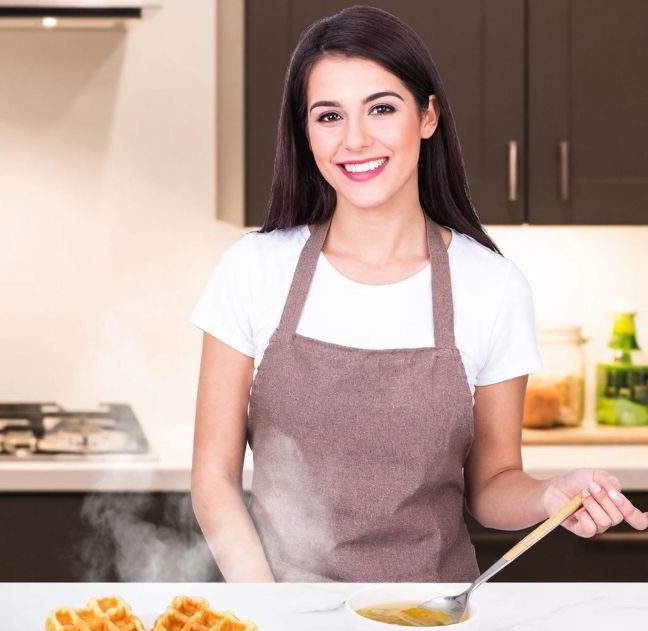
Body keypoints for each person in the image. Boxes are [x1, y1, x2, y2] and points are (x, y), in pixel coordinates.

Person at [189, 5, 648, 582]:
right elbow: (213, 480)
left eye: (382, 108)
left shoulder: (492, 286)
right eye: (329, 116)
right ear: (305, 134)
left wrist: (549, 496)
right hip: (283, 625)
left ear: (428, 116)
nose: (355, 139)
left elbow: (493, 484)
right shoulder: (254, 268)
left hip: (430, 626)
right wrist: (273, 612)